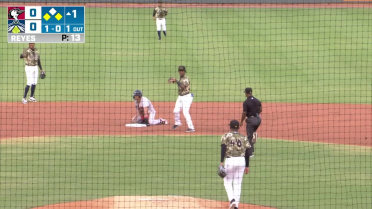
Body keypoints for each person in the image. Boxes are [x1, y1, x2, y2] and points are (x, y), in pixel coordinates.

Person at [220, 120, 251, 209]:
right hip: (241, 161)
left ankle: (232, 200)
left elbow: (223, 148)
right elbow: (248, 152)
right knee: (238, 183)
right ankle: (236, 205)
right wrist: (247, 165)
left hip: (230, 161)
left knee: (227, 182)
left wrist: (221, 162)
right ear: (239, 127)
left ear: (230, 127)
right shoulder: (243, 137)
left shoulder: (226, 136)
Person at [168, 66, 195, 133]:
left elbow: (183, 87)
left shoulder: (186, 79)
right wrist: (174, 81)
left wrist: (176, 81)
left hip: (187, 97)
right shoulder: (180, 78)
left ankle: (191, 128)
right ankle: (177, 123)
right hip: (180, 96)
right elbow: (180, 84)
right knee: (176, 110)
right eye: (180, 71)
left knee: (185, 112)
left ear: (184, 71)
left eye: (182, 71)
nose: (181, 72)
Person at [240, 88, 262, 157]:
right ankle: (254, 134)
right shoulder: (257, 100)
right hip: (258, 120)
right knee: (252, 133)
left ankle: (250, 153)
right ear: (251, 92)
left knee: (249, 137)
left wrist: (241, 121)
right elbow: (261, 109)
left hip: (251, 121)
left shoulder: (246, 102)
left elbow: (244, 113)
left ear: (246, 93)